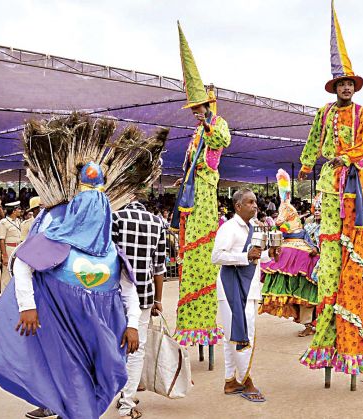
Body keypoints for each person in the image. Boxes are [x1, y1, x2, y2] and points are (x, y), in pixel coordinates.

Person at [0, 113, 166, 419]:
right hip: (62, 331)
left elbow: (129, 289)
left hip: (101, 335)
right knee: (75, 395)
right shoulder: (56, 241)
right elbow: (22, 264)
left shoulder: (111, 252)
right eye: (86, 208)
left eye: (99, 209)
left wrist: (130, 323)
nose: (93, 215)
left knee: (96, 385)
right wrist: (27, 307)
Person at [297, 0, 363, 378]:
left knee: (352, 239)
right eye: (341, 84)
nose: (345, 88)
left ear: (354, 87)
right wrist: (306, 165)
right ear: (335, 87)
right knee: (330, 241)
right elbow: (313, 141)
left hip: (353, 181)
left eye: (349, 83)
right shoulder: (324, 113)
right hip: (330, 182)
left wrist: (348, 159)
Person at [170, 22, 232, 346]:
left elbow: (222, 138)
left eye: (199, 108)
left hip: (206, 196)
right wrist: (185, 176)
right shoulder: (196, 133)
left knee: (203, 255)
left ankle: (205, 323)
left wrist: (208, 119)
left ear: (209, 106)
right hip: (192, 197)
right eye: (194, 110)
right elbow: (196, 160)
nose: (196, 114)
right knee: (189, 258)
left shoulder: (215, 124)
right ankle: (190, 323)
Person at [212, 189, 278, 402]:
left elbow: (254, 258)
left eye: (255, 202)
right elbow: (217, 256)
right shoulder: (229, 228)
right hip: (232, 288)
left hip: (248, 288)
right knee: (242, 335)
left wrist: (270, 255)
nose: (255, 206)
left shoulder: (253, 228)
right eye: (250, 202)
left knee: (233, 335)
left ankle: (231, 381)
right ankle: (246, 379)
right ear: (238, 206)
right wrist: (244, 256)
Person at [112, 198, 168, 419]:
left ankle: (111, 393)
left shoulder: (115, 218)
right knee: (136, 349)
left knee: (111, 346)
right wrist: (158, 300)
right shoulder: (157, 223)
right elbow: (159, 267)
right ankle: (126, 403)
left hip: (111, 296)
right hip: (143, 295)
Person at [259, 170, 320, 337]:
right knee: (300, 288)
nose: (317, 212)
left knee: (308, 288)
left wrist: (317, 249)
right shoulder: (308, 225)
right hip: (297, 249)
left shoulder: (324, 228)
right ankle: (308, 323)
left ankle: (315, 322)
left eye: (320, 210)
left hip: (318, 259)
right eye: (316, 210)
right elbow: (280, 222)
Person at [0, 201, 22, 290]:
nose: (20, 210)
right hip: (9, 249)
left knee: (17, 272)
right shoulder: (4, 222)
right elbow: (2, 240)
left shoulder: (18, 221)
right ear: (14, 211)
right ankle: (4, 296)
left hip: (18, 249)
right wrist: (4, 256)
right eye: (18, 209)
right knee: (7, 273)